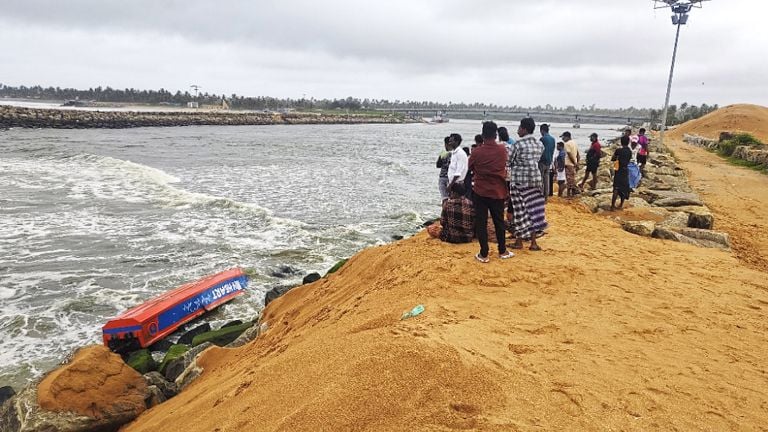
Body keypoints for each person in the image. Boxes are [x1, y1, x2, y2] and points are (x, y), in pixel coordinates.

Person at [469, 121, 514, 262]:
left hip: (480, 191)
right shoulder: (502, 150)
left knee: (481, 222)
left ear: (483, 135)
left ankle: (484, 253)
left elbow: (470, 167)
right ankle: (502, 251)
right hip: (498, 191)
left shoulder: (476, 152)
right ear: (496, 135)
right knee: (499, 221)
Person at [508, 117, 547, 251]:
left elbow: (508, 161)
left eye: (519, 127)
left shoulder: (517, 145)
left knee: (520, 211)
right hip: (535, 179)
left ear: (524, 129)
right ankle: (533, 243)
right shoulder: (539, 144)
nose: (518, 130)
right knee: (534, 211)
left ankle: (519, 241)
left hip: (519, 180)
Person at [611, 135, 633, 210]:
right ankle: (621, 205)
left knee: (616, 188)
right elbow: (628, 160)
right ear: (628, 142)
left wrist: (617, 158)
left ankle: (612, 206)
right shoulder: (629, 151)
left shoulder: (618, 150)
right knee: (624, 188)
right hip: (625, 170)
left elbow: (613, 158)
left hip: (618, 170)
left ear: (621, 142)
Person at [539, 124, 556, 200]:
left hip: (542, 161)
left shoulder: (542, 139)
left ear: (542, 130)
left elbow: (539, 150)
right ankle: (546, 197)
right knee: (547, 180)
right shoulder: (553, 139)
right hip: (549, 161)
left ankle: (540, 196)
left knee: (540, 180)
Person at [561, 131, 580, 197]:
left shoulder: (567, 144)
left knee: (569, 179)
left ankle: (569, 194)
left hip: (568, 164)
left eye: (563, 137)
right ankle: (572, 193)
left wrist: (574, 163)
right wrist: (577, 163)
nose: (562, 139)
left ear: (567, 137)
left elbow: (569, 154)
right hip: (573, 164)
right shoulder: (574, 143)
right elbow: (578, 154)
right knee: (572, 178)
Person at [436, 136, 452, 201]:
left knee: (444, 198)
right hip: (451, 178)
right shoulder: (455, 153)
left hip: (442, 177)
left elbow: (438, 165)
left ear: (445, 144)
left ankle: (444, 210)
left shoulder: (443, 153)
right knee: (452, 198)